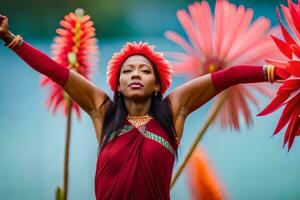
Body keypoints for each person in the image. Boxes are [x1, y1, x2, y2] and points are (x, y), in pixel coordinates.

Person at [0, 15, 287, 200]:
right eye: (128, 71)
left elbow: (229, 77)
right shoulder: (103, 111)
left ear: (158, 84)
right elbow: (56, 72)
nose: (135, 74)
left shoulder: (174, 110)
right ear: (118, 84)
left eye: (144, 71)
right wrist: (9, 38)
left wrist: (277, 73)